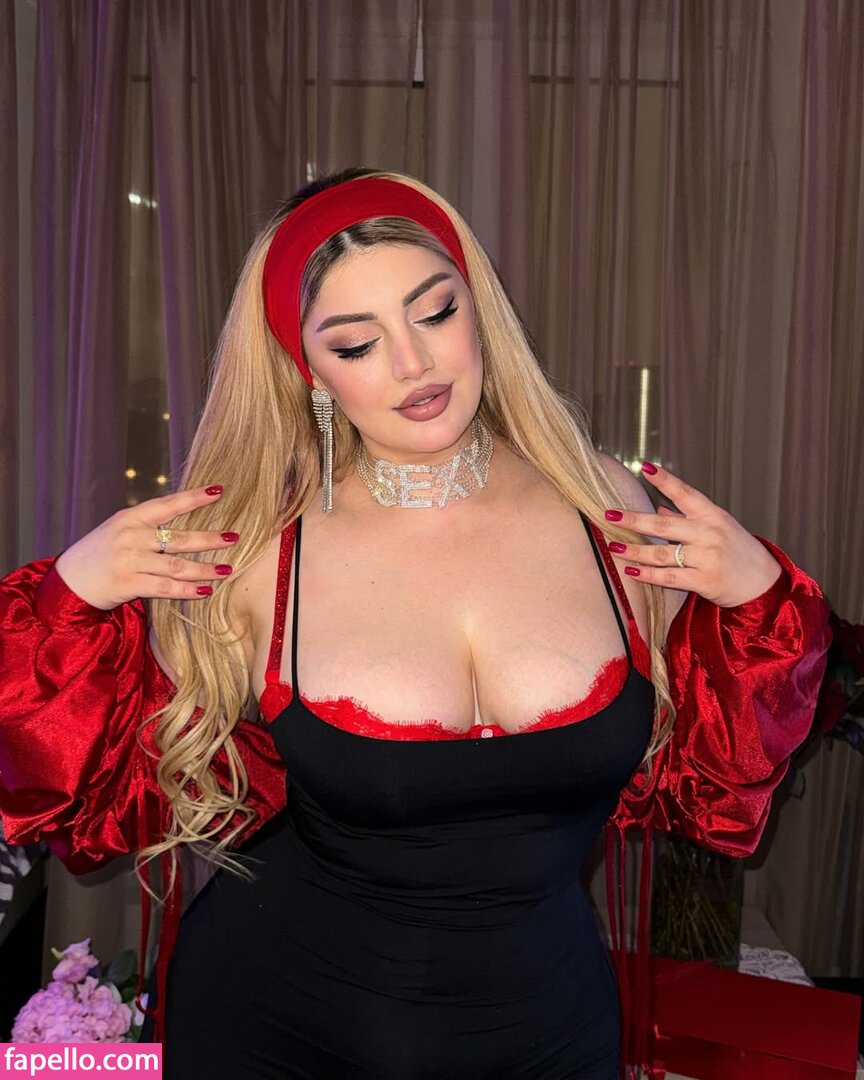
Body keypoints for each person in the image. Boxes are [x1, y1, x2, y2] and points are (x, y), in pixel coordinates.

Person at [0, 168, 830, 1080]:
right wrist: (69, 596)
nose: (414, 363)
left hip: (551, 1033)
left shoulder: (608, 507)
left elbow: (715, 781)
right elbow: (89, 797)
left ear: (480, 311)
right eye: (357, 343)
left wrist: (763, 602)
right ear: (308, 371)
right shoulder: (258, 551)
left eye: (435, 313)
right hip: (276, 1027)